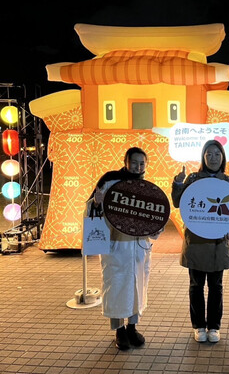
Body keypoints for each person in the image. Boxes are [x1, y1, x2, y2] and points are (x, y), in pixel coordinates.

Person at [86, 147, 164, 350]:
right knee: (117, 288)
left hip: (139, 247)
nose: (138, 166)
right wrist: (96, 202)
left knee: (137, 287)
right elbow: (90, 211)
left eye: (142, 163)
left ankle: (132, 327)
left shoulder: (146, 188)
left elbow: (153, 219)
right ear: (126, 161)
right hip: (116, 246)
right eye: (134, 162)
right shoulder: (109, 181)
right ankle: (119, 330)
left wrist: (157, 227)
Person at [171, 140, 229, 343]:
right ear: (203, 157)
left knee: (216, 286)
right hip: (197, 240)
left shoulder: (228, 181)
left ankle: (214, 326)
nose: (213, 157)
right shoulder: (193, 178)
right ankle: (199, 326)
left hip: (218, 242)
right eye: (209, 154)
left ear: (223, 157)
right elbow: (177, 202)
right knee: (196, 285)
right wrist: (179, 183)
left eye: (217, 154)